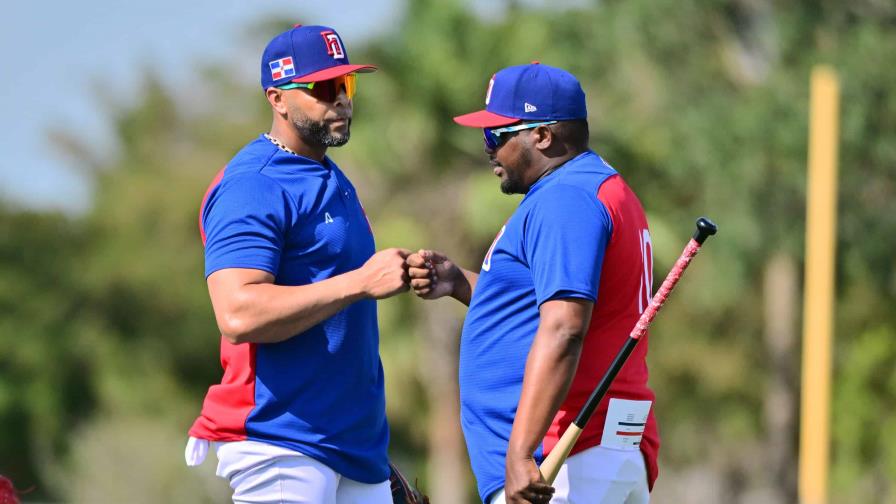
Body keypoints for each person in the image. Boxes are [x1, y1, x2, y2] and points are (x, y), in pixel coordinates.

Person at [407, 62, 660, 504]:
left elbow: (564, 327)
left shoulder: (566, 198)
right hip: (593, 450)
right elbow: (542, 305)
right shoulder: (598, 185)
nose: (488, 150)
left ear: (543, 136)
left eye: (497, 136)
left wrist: (522, 451)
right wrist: (461, 283)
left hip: (563, 454)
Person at [184, 24, 409, 504]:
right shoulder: (253, 184)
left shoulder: (326, 170)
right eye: (323, 88)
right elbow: (238, 314)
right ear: (278, 99)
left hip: (353, 444)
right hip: (280, 440)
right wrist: (360, 283)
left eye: (345, 85)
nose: (341, 100)